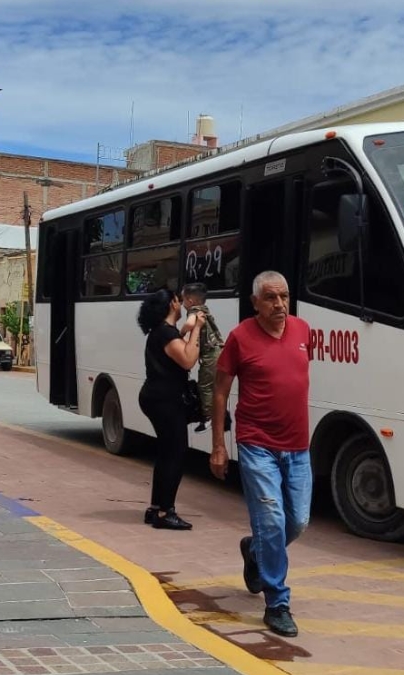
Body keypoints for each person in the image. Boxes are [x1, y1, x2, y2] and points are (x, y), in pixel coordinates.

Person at [210, 270, 312, 638]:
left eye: (284, 296)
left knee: (296, 522)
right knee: (272, 521)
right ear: (255, 303)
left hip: (298, 446)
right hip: (256, 444)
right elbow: (220, 391)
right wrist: (219, 445)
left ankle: (255, 551)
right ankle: (277, 602)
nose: (280, 304)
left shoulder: (303, 331)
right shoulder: (240, 338)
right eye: (270, 298)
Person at [136, 288, 204, 531]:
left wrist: (188, 328)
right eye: (178, 300)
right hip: (165, 400)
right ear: (172, 305)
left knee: (165, 453)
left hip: (156, 397)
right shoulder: (165, 334)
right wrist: (197, 329)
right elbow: (187, 359)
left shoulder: (163, 332)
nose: (181, 302)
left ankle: (156, 508)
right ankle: (166, 512)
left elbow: (178, 342)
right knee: (175, 453)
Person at [181, 283, 225, 434]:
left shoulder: (193, 311)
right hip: (219, 351)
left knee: (205, 386)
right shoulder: (205, 309)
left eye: (183, 300)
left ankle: (208, 417)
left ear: (190, 301)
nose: (182, 304)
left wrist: (181, 332)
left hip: (210, 355)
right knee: (215, 386)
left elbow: (189, 324)